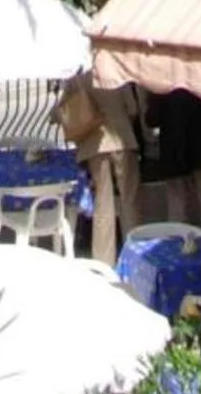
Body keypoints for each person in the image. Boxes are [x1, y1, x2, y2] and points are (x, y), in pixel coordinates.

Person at [57, 71, 142, 264]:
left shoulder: (77, 76)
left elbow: (61, 111)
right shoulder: (116, 70)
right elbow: (132, 108)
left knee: (103, 204)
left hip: (94, 143)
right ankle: (136, 256)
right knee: (130, 201)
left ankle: (104, 261)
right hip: (122, 138)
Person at [144, 87, 201, 232]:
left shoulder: (162, 84)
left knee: (177, 201)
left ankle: (180, 239)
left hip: (175, 149)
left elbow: (152, 119)